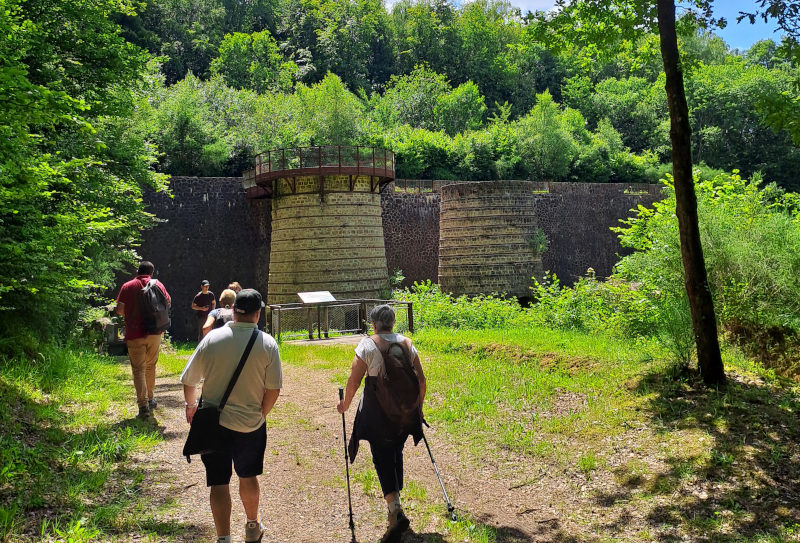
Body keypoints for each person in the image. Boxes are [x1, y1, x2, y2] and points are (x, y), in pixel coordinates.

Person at [181, 289, 282, 543]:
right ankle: (252, 526)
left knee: (218, 482)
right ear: (257, 314)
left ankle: (223, 538)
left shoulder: (212, 339)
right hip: (250, 423)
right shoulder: (268, 344)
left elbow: (189, 380)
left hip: (214, 424)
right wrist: (261, 413)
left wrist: (191, 405)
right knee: (248, 476)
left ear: (233, 311)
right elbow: (273, 389)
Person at [337, 304, 426, 543]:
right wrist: (418, 409)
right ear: (393, 322)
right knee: (395, 451)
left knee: (382, 456)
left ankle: (395, 510)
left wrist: (345, 404)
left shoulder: (367, 345)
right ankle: (396, 502)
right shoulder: (407, 344)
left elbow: (354, 381)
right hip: (403, 413)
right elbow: (421, 381)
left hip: (378, 413)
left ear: (373, 324)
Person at [115, 261, 171, 419]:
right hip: (154, 332)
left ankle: (143, 405)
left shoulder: (127, 286)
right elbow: (167, 303)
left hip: (135, 334)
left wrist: (131, 313)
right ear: (151, 273)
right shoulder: (158, 285)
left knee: (138, 369)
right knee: (150, 366)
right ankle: (151, 398)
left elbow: (119, 310)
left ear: (137, 271)